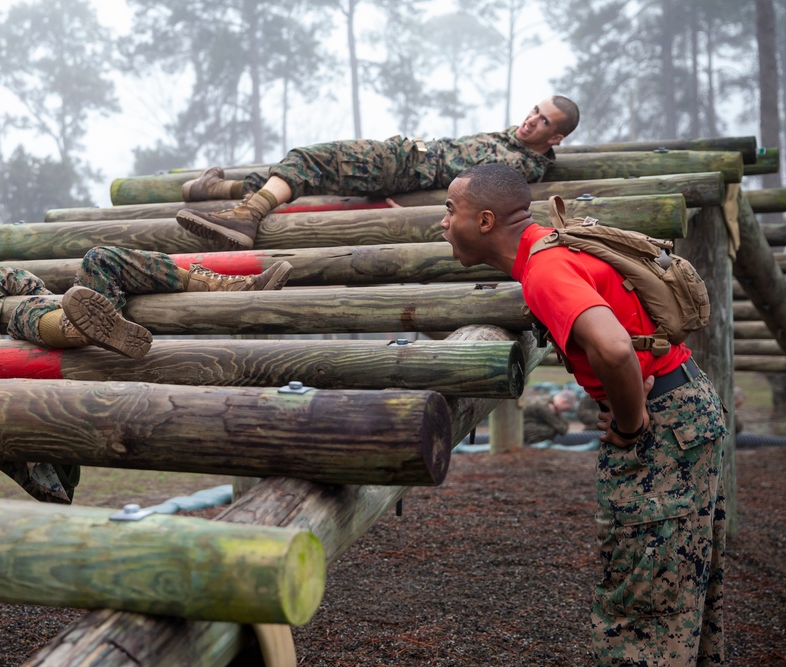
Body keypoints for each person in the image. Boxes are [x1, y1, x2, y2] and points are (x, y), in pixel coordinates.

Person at [440, 163, 728, 664]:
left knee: (644, 611)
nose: (443, 223)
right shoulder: (555, 246)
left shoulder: (545, 271)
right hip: (685, 411)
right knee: (683, 591)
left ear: (485, 221)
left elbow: (615, 350)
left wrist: (629, 424)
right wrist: (625, 403)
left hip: (663, 430)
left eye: (449, 210)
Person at [0, 246, 294, 504]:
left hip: (71, 351)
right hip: (44, 436)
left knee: (98, 260)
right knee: (17, 315)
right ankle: (71, 325)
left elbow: (5, 276)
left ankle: (232, 289)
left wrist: (40, 311)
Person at [175, 95, 580, 251]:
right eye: (534, 111)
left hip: (406, 166)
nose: (531, 121)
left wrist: (420, 202)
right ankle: (221, 188)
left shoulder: (521, 165)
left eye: (544, 122)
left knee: (308, 159)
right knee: (301, 173)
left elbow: (475, 190)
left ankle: (246, 217)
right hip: (409, 155)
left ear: (556, 138)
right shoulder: (513, 140)